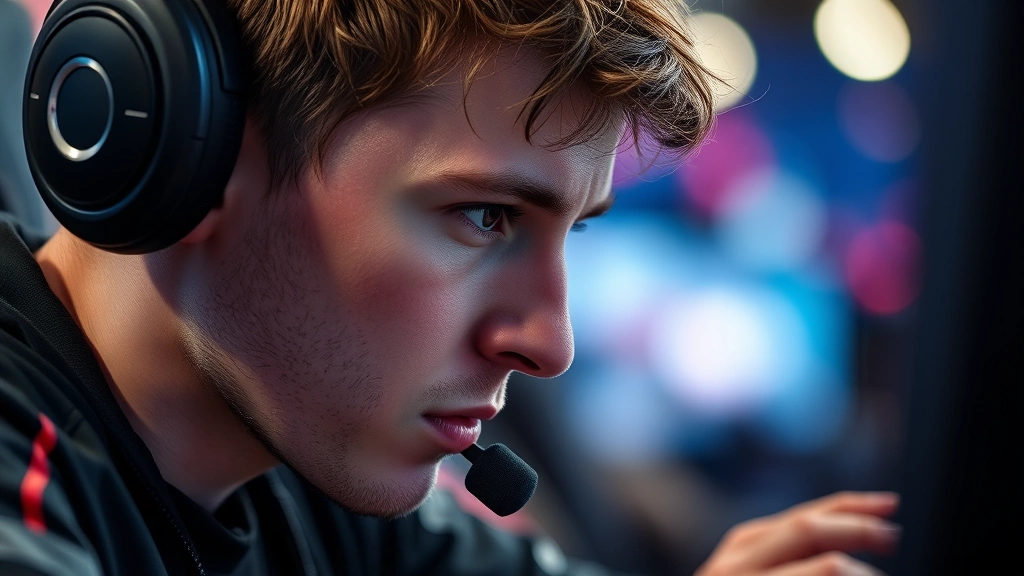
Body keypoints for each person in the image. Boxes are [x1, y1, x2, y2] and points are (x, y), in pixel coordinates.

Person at [0, 0, 901, 574]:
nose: (550, 344)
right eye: (485, 217)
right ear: (189, 155)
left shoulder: (314, 481)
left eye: (570, 231)